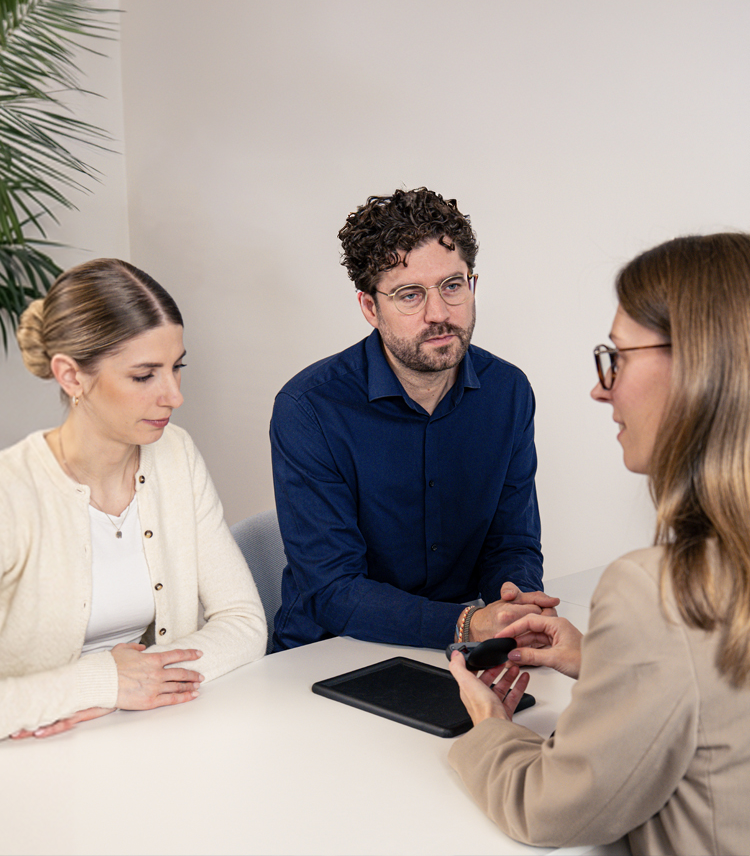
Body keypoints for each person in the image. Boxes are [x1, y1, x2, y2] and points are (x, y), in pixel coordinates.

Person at [449, 233, 750, 856]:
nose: (600, 388)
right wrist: (611, 662)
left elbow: (549, 810)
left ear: (700, 368)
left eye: (619, 357)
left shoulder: (657, 592)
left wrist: (490, 729)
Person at [270, 188, 558, 651]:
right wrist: (467, 624)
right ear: (370, 308)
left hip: (457, 644)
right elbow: (333, 589)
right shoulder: (310, 408)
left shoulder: (508, 391)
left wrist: (515, 604)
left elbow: (511, 542)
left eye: (452, 285)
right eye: (410, 295)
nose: (439, 314)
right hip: (330, 650)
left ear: (473, 284)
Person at [1, 258, 266, 741]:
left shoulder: (175, 455)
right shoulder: (11, 493)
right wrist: (103, 684)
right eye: (144, 376)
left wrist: (138, 683)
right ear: (71, 376)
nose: (174, 396)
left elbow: (244, 622)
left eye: (176, 368)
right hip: (33, 754)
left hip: (151, 728)